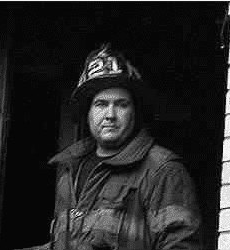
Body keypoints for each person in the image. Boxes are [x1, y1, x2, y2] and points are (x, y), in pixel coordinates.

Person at [16, 44, 202, 250]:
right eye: (101, 104)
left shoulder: (163, 171)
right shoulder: (70, 175)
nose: (110, 115)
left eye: (121, 104)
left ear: (135, 112)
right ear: (87, 112)